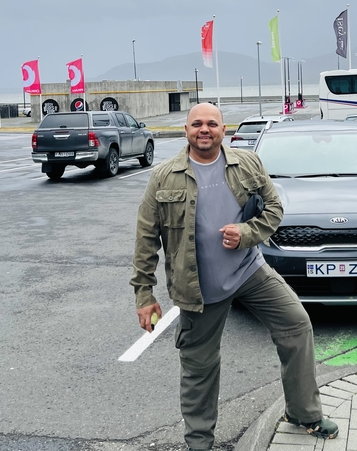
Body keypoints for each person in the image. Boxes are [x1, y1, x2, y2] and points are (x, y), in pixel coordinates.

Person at [130, 103, 338, 451]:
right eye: (197, 124)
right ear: (186, 131)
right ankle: (199, 443)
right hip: (198, 287)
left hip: (249, 271)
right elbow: (146, 238)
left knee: (296, 324)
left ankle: (304, 413)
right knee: (199, 368)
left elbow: (274, 208)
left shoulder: (247, 164)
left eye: (212, 124)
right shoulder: (164, 176)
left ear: (223, 130)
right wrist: (144, 295)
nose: (205, 129)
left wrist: (247, 233)